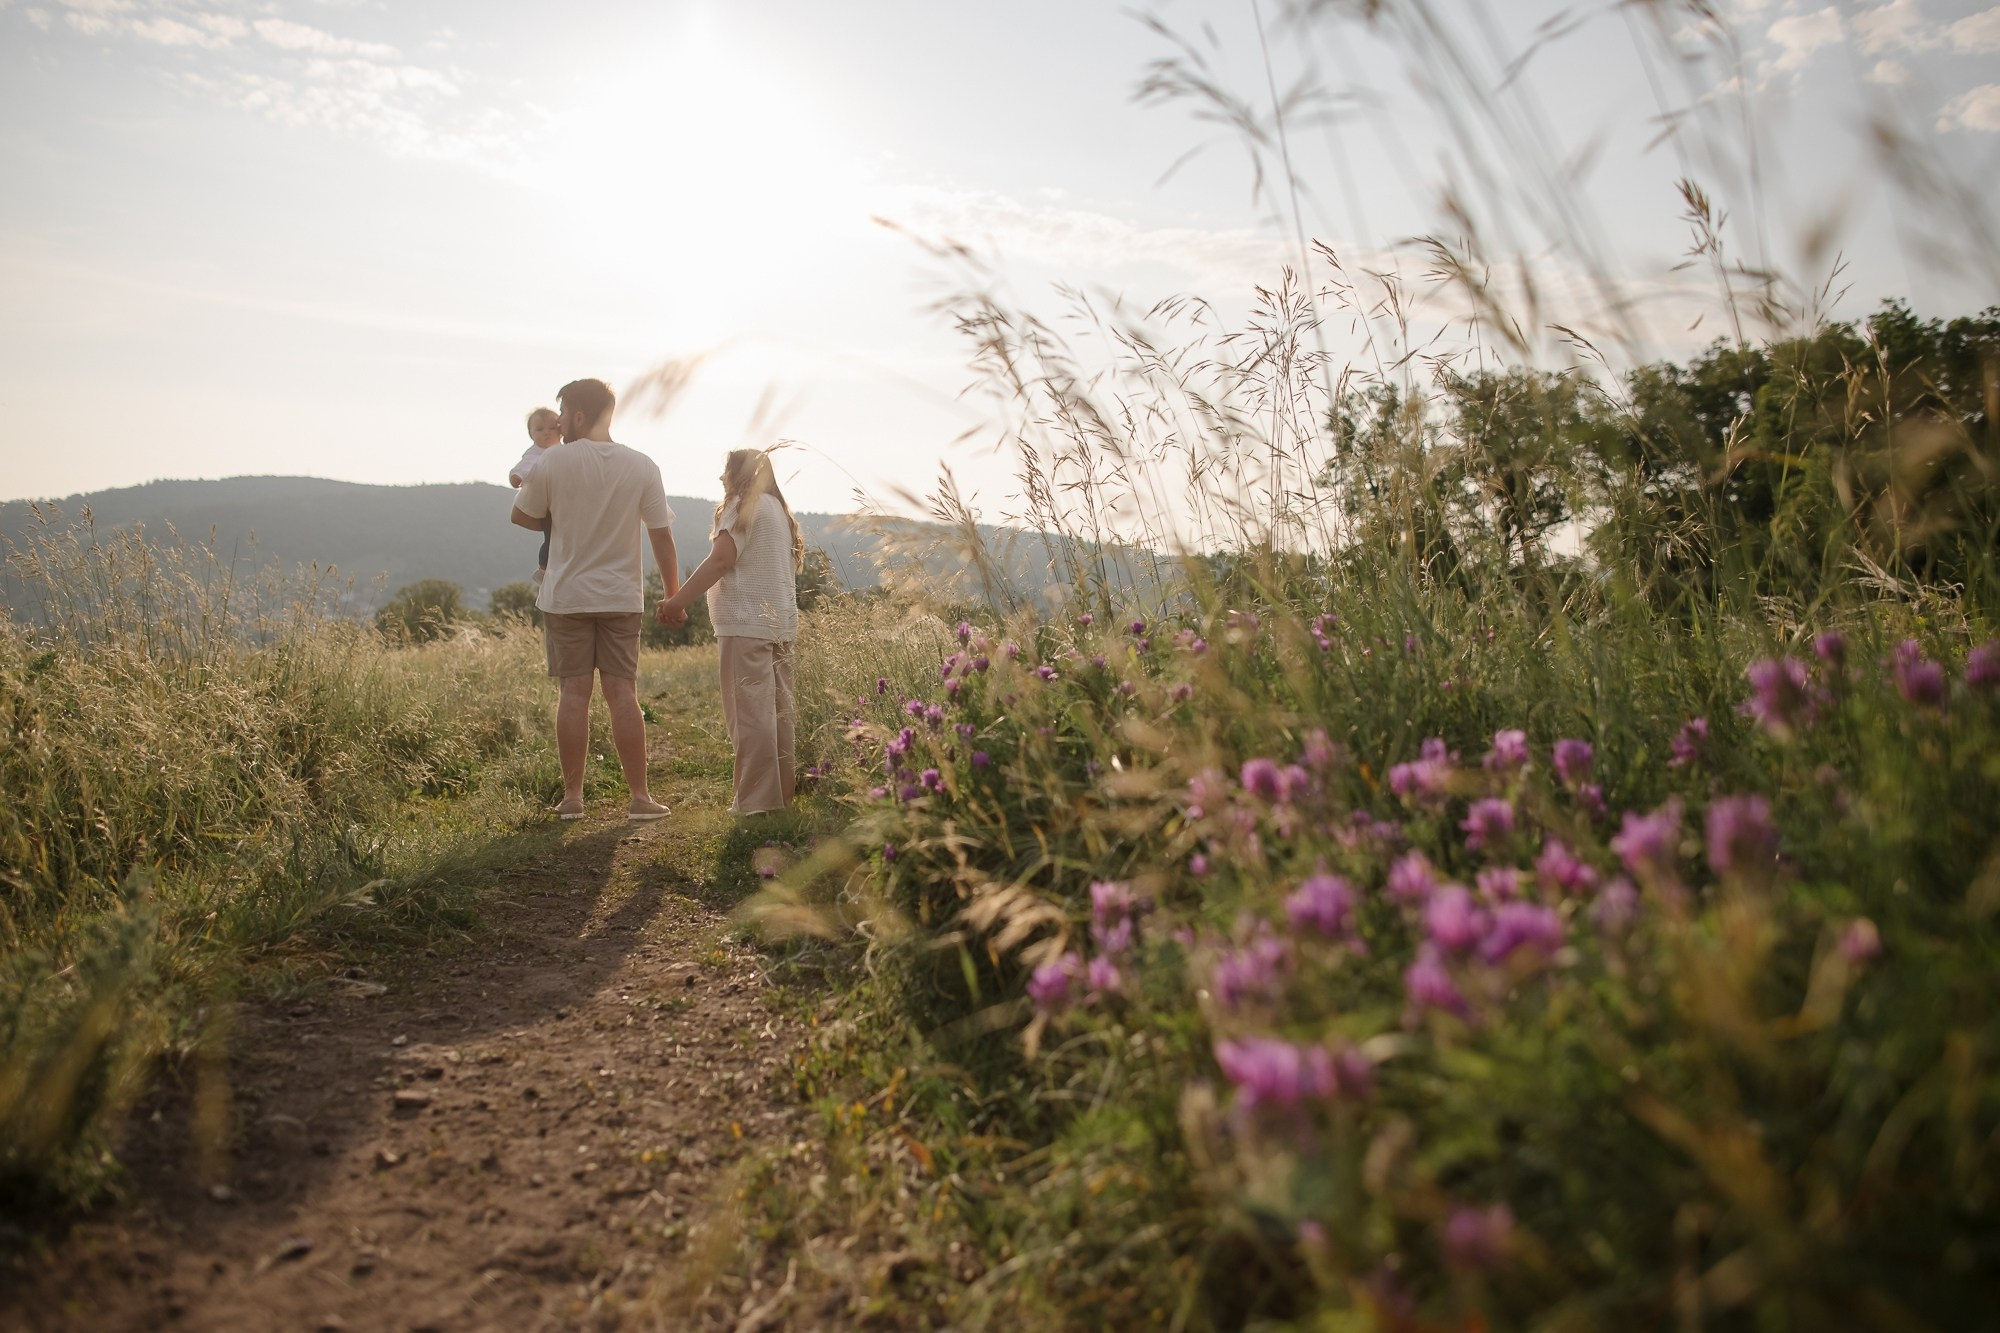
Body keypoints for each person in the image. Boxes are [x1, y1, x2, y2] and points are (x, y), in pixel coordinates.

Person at [511, 378, 680, 821]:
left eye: (562, 413)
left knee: (574, 693)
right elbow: (661, 535)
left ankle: (572, 799)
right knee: (623, 694)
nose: (559, 422)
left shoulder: (553, 461)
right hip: (622, 595)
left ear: (579, 415)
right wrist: (673, 594)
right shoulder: (641, 465)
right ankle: (640, 798)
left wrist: (563, 519)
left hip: (566, 594)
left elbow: (521, 514)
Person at [659, 448, 800, 816]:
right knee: (779, 715)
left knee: (751, 715)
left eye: (725, 471)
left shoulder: (742, 504)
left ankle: (755, 803)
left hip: (746, 623)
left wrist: (676, 601)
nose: (722, 478)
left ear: (738, 475)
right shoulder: (779, 511)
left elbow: (721, 560)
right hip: (780, 625)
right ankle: (780, 797)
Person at [509, 407, 564, 583]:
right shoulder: (535, 453)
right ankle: (543, 566)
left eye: (552, 428)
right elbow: (525, 466)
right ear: (531, 434)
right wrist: (517, 477)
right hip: (548, 502)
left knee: (555, 535)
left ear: (561, 430)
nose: (546, 433)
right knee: (550, 535)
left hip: (562, 498)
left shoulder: (566, 449)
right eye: (539, 430)